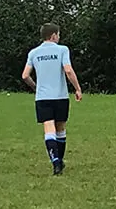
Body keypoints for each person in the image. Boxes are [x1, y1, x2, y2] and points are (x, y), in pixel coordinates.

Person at [21, 23, 83, 175]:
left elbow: (25, 75)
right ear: (54, 35)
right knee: (60, 129)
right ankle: (60, 161)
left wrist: (36, 87)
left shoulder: (34, 53)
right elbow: (68, 70)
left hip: (43, 98)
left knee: (49, 129)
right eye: (58, 35)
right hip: (60, 96)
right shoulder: (62, 49)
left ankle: (55, 162)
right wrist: (77, 88)